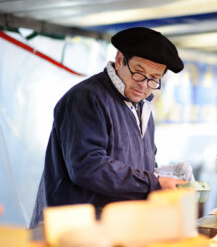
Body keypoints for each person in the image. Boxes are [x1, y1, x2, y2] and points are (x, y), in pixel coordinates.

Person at [30, 27, 188, 228]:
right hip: (75, 229)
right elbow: (88, 166)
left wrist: (166, 177)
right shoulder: (87, 98)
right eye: (139, 73)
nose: (144, 85)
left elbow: (141, 163)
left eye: (154, 79)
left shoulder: (143, 105)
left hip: (121, 226)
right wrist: (153, 183)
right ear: (120, 59)